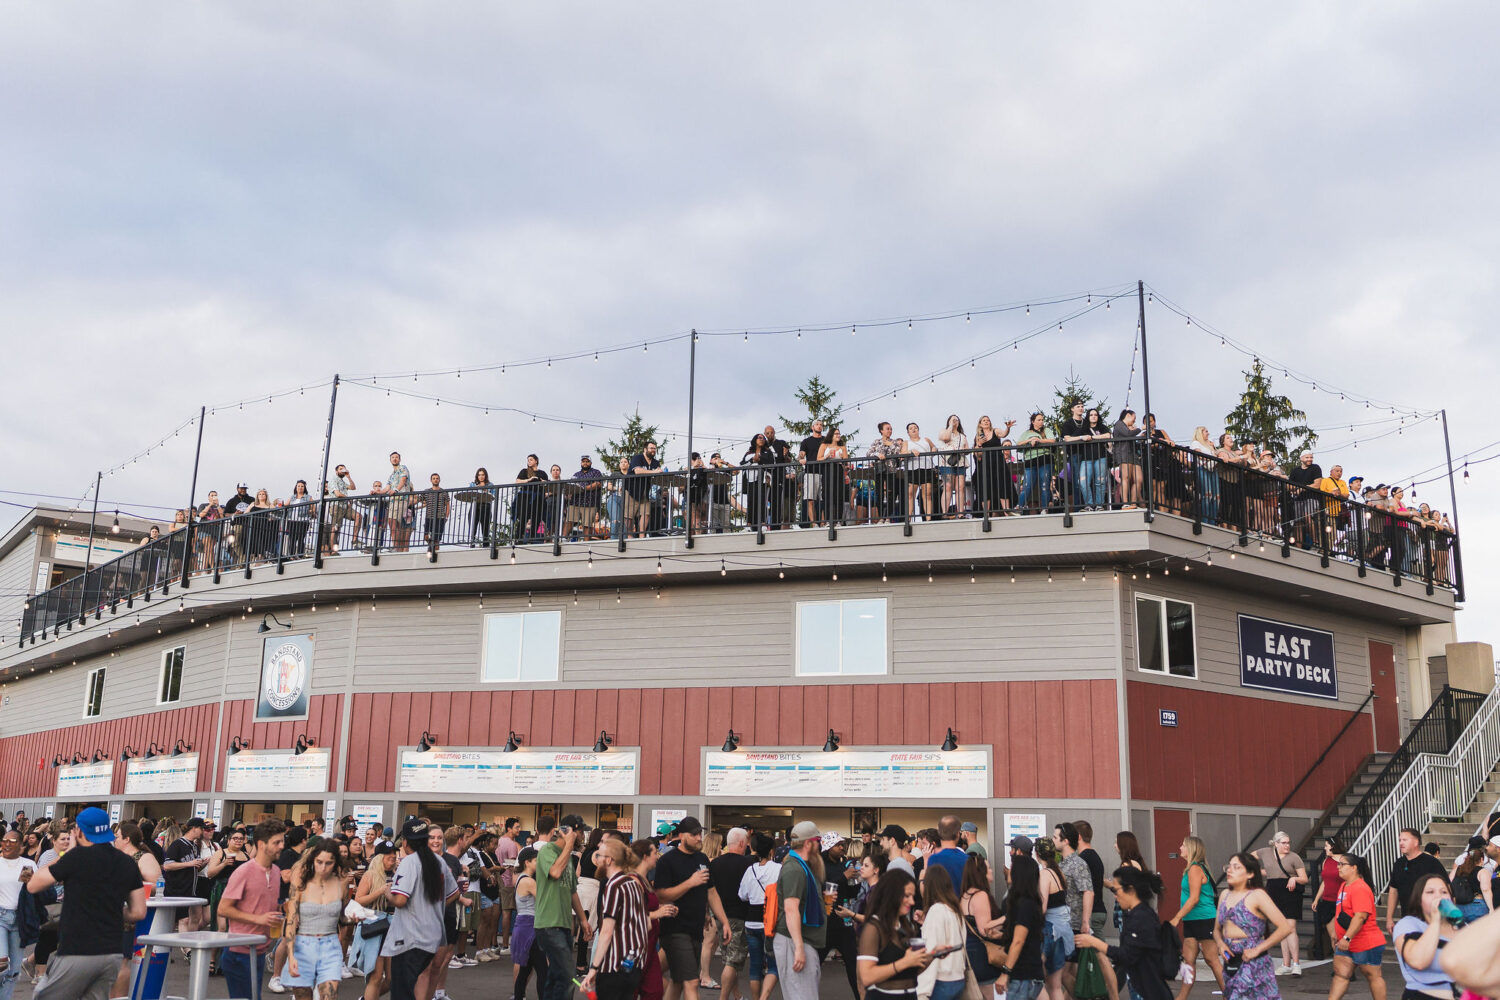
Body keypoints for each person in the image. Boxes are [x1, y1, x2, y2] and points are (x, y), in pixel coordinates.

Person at [22, 808, 146, 1000]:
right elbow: (138, 911)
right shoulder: (127, 862)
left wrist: (66, 854)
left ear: (79, 831)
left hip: (78, 949)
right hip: (112, 951)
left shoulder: (76, 857)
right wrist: (111, 911)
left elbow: (33, 885)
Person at [382, 818, 458, 1000]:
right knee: (412, 985)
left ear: (406, 842)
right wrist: (433, 907)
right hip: (433, 936)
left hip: (409, 937)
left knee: (402, 991)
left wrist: (387, 893)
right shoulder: (439, 861)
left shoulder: (409, 862)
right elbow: (454, 893)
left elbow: (400, 900)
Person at [654, 816, 727, 1000]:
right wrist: (690, 883)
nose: (698, 838)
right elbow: (661, 895)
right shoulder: (667, 861)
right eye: (694, 834)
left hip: (695, 929)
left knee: (678, 981)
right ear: (681, 835)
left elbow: (711, 893)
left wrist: (723, 921)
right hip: (674, 929)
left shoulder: (702, 859)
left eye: (700, 834)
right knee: (692, 982)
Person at [1075, 866, 1173, 1000]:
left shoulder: (1142, 917)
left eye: (1116, 890)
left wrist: (1094, 942)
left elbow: (1126, 955)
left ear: (1131, 889)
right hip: (1146, 988)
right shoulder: (1135, 914)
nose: (1115, 895)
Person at [582, 839, 650, 1000]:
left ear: (609, 860)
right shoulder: (633, 883)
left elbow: (606, 931)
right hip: (633, 963)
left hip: (614, 965)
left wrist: (594, 968)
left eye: (599, 855)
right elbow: (646, 925)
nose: (595, 858)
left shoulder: (614, 886)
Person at [534, 814, 592, 1000]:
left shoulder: (568, 857)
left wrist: (583, 920)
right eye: (580, 832)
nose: (582, 837)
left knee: (556, 975)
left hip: (564, 924)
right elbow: (555, 872)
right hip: (548, 924)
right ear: (569, 831)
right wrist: (568, 844)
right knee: (567, 975)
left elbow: (572, 891)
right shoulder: (547, 851)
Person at [284, 841, 348, 1000]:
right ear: (313, 860)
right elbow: (290, 922)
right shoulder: (300, 884)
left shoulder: (341, 883)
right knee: (303, 996)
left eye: (329, 863)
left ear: (336, 863)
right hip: (303, 945)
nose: (323, 867)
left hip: (330, 945)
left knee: (329, 997)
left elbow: (343, 916)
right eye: (319, 862)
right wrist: (291, 955)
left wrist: (353, 917)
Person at [856, 869, 932, 1000]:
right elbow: (867, 977)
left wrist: (931, 957)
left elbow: (909, 973)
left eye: (913, 897)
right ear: (893, 894)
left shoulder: (905, 926)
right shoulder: (873, 928)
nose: (912, 902)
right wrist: (905, 962)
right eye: (907, 896)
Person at [775, 821, 829, 1000]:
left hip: (799, 940)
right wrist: (799, 948)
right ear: (808, 843)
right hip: (794, 941)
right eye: (818, 840)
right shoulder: (795, 868)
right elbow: (791, 909)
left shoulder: (801, 865)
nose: (820, 845)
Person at [109, 822, 163, 996]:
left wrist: (132, 886)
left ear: (127, 839)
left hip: (132, 915)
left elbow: (157, 885)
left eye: (117, 837)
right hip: (112, 913)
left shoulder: (143, 857)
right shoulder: (115, 856)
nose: (114, 840)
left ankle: (119, 998)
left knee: (124, 961)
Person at [1169, 836, 1225, 1000]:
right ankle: (1182, 997)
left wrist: (1177, 917)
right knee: (1189, 960)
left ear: (1191, 849)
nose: (1180, 848)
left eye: (1183, 845)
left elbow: (1194, 898)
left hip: (1204, 918)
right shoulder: (1190, 869)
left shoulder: (1195, 868)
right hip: (1192, 920)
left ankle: (1230, 993)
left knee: (1211, 959)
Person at [1329, 853, 1388, 1000]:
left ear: (1354, 868)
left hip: (1365, 942)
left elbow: (1360, 916)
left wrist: (1347, 937)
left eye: (1343, 864)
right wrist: (1337, 934)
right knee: (1341, 975)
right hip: (1346, 943)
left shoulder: (1360, 888)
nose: (1339, 867)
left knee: (1373, 976)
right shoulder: (1344, 885)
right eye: (1339, 864)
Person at [1393, 873, 1460, 1000]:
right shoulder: (1409, 924)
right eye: (1430, 892)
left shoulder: (1462, 927)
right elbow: (1418, 961)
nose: (1438, 896)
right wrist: (1435, 921)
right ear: (1419, 899)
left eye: (1444, 892)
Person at [1253, 831, 1307, 975]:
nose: (1287, 845)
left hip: (1290, 892)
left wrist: (1294, 879)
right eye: (1283, 843)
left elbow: (1304, 878)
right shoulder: (1265, 852)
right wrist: (1260, 871)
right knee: (1280, 928)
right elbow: (1248, 858)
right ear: (1275, 843)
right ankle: (1286, 963)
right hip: (1273, 889)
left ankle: (1296, 963)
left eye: (1288, 842)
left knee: (1290, 927)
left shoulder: (1294, 857)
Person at [992, 855, 1046, 1000]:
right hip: (1028, 973)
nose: (1008, 871)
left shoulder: (1024, 904)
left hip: (1023, 975)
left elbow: (1019, 940)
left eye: (1012, 868)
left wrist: (1005, 972)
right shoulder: (1029, 902)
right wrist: (1001, 935)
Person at [629, 840, 676, 1000]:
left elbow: (649, 906)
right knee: (632, 990)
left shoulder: (645, 881)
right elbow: (629, 918)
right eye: (655, 853)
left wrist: (665, 909)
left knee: (654, 991)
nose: (658, 856)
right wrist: (658, 913)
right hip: (635, 948)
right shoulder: (633, 881)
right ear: (644, 856)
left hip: (649, 946)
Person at [710, 828, 754, 1000]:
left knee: (729, 958)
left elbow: (709, 891)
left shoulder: (714, 864)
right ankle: (723, 998)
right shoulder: (748, 864)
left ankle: (737, 995)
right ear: (742, 843)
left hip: (720, 916)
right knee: (733, 961)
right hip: (740, 916)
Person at [738, 833, 781, 1000]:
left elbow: (742, 895)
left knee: (755, 966)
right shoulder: (778, 869)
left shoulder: (750, 870)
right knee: (773, 966)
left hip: (751, 922)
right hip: (770, 921)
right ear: (771, 851)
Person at [351, 842, 396, 1000]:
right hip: (374, 927)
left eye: (394, 856)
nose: (392, 858)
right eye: (388, 855)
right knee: (375, 976)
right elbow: (359, 900)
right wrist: (381, 891)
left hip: (393, 927)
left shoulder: (397, 874)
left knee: (392, 979)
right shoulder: (370, 875)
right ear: (379, 858)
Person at [915, 865, 966, 1000]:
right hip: (958, 977)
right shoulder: (955, 909)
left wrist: (922, 992)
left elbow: (932, 950)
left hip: (941, 980)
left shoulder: (936, 910)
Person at [0, 830, 38, 1000]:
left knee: (14, 969)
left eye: (12, 841)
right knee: (2, 963)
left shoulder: (27, 865)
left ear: (21, 845)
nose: (7, 844)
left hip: (19, 919)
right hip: (0, 916)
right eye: (4, 840)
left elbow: (29, 891)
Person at [1385, 828, 1447, 930]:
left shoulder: (1431, 863)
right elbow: (1393, 890)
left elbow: (1447, 888)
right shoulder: (1398, 864)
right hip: (1408, 920)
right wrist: (1389, 918)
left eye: (1405, 840)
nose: (1401, 843)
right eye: (1400, 840)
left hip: (1430, 921)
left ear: (1416, 842)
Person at [959, 853, 1003, 990]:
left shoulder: (965, 895)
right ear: (981, 873)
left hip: (969, 953)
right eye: (988, 868)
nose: (991, 871)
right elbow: (984, 929)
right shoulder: (980, 895)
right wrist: (1006, 918)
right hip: (982, 956)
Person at [509, 847, 548, 1000]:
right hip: (529, 929)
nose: (539, 863)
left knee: (525, 970)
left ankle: (518, 997)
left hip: (524, 927)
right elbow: (544, 902)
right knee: (543, 970)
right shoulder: (528, 881)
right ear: (527, 862)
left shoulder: (520, 878)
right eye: (536, 860)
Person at [163, 816, 209, 933]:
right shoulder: (177, 844)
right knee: (183, 919)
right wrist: (190, 863)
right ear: (193, 828)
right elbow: (167, 865)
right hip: (178, 889)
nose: (203, 832)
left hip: (191, 889)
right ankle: (186, 948)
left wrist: (203, 863)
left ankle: (189, 945)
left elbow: (194, 868)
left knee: (196, 918)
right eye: (201, 829)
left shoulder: (194, 846)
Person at [972, 415, 1016, 517]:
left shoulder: (995, 431)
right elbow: (978, 456)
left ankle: (1007, 512)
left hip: (998, 462)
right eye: (984, 420)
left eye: (988, 420)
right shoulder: (978, 437)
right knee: (985, 488)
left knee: (1002, 486)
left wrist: (1008, 428)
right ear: (980, 424)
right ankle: (986, 515)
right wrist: (979, 445)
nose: (986, 422)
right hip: (985, 465)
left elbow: (1004, 434)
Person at [1311, 837, 1343, 960]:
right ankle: (1338, 962)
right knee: (1333, 936)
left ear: (1333, 846)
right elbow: (1324, 882)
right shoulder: (1326, 861)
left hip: (1341, 902)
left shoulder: (1344, 860)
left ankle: (1345, 963)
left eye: (1326, 845)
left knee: (1340, 935)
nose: (1325, 848)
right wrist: (1316, 899)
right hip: (1327, 901)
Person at [1448, 836, 1493, 924]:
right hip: (1477, 906)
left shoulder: (1458, 869)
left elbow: (1449, 883)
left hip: (1459, 906)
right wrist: (1491, 908)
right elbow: (1486, 890)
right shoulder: (1482, 871)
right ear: (1481, 859)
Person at [1074, 820, 1107, 934]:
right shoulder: (1094, 856)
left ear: (1078, 837)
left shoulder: (1083, 859)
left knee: (1097, 950)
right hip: (1098, 909)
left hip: (1092, 912)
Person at [1017, 413, 1055, 512]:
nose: (1041, 421)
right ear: (1033, 421)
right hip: (1030, 462)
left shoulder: (1046, 430)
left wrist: (1039, 440)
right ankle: (1019, 507)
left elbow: (1052, 440)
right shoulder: (1027, 433)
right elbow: (1018, 444)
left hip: (1045, 460)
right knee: (1027, 485)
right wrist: (1030, 440)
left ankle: (1044, 509)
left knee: (1044, 485)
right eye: (1039, 420)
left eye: (1042, 419)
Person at [626, 442, 663, 538]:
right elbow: (637, 471)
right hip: (632, 490)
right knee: (629, 516)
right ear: (645, 449)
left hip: (646, 492)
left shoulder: (655, 462)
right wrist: (654, 471)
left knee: (646, 514)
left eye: (655, 448)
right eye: (651, 448)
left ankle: (642, 536)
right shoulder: (637, 458)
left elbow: (657, 476)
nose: (653, 450)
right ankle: (629, 536)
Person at [924, 817, 969, 895]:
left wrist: (925, 861)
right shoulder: (967, 859)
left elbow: (928, 889)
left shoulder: (934, 859)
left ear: (939, 833)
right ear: (958, 834)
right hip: (961, 904)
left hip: (941, 904)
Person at [936, 414, 969, 518]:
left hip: (960, 462)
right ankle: (945, 513)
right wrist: (950, 426)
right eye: (953, 420)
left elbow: (967, 449)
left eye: (957, 420)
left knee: (960, 487)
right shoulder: (943, 431)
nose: (955, 421)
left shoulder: (962, 436)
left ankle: (960, 513)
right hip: (946, 462)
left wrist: (964, 450)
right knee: (948, 486)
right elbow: (945, 438)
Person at [798, 420, 828, 526]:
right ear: (812, 427)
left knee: (824, 499)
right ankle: (814, 523)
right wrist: (801, 458)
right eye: (817, 425)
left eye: (821, 425)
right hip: (810, 472)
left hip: (824, 472)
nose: (819, 426)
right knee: (810, 499)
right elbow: (801, 454)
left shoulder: (826, 440)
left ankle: (823, 523)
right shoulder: (806, 441)